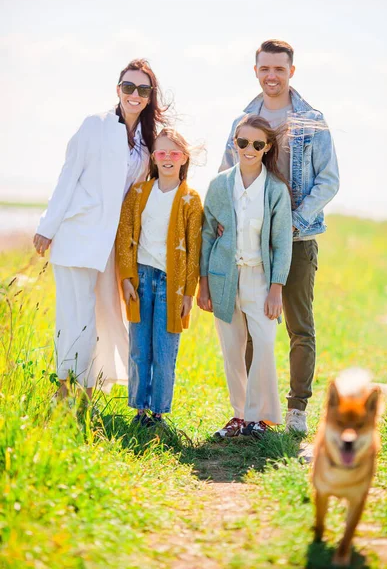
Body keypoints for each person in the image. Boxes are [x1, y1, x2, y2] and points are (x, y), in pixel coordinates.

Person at [219, 40, 340, 433]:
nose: (272, 76)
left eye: (280, 69)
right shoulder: (243, 119)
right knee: (256, 323)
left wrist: (294, 221)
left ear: (291, 71)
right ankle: (257, 409)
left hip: (299, 240)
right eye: (265, 69)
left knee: (299, 326)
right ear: (256, 70)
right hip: (251, 241)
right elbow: (227, 174)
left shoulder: (311, 118)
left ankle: (296, 409)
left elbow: (329, 180)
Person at [33, 58, 167, 398]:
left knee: (107, 316)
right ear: (118, 90)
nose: (134, 95)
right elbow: (69, 175)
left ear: (150, 96)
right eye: (128, 87)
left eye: (142, 89)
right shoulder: (95, 125)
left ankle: (90, 392)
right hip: (77, 236)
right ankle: (64, 391)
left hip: (111, 245)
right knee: (75, 316)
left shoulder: (147, 143)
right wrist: (47, 226)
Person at [198, 114, 292, 437]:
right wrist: (203, 284)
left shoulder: (276, 190)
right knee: (231, 348)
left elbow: (281, 243)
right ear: (234, 144)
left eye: (256, 144)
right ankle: (239, 416)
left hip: (260, 279)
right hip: (223, 278)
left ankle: (259, 417)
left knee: (264, 343)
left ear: (266, 148)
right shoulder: (220, 185)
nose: (248, 149)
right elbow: (208, 235)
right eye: (242, 142)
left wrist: (276, 288)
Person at [116, 128, 203, 426]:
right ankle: (139, 409)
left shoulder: (191, 200)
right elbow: (125, 236)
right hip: (140, 278)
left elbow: (194, 251)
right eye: (162, 152)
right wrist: (126, 277)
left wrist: (189, 294)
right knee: (140, 348)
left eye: (174, 153)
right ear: (153, 157)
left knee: (164, 352)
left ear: (184, 158)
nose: (168, 158)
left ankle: (158, 412)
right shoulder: (139, 193)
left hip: (172, 284)